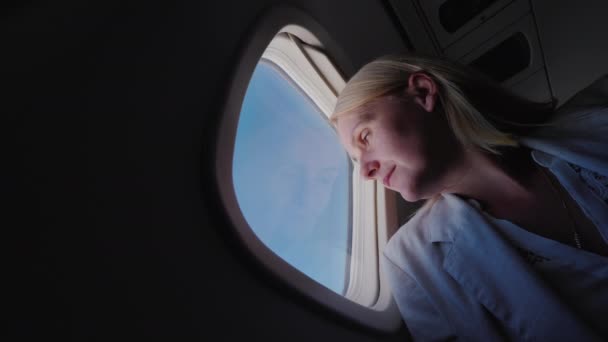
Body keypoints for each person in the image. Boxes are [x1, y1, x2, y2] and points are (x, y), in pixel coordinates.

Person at [330, 54, 608, 341]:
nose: (365, 171)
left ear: (423, 93)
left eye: (364, 137)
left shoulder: (596, 118)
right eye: (355, 160)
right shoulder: (412, 262)